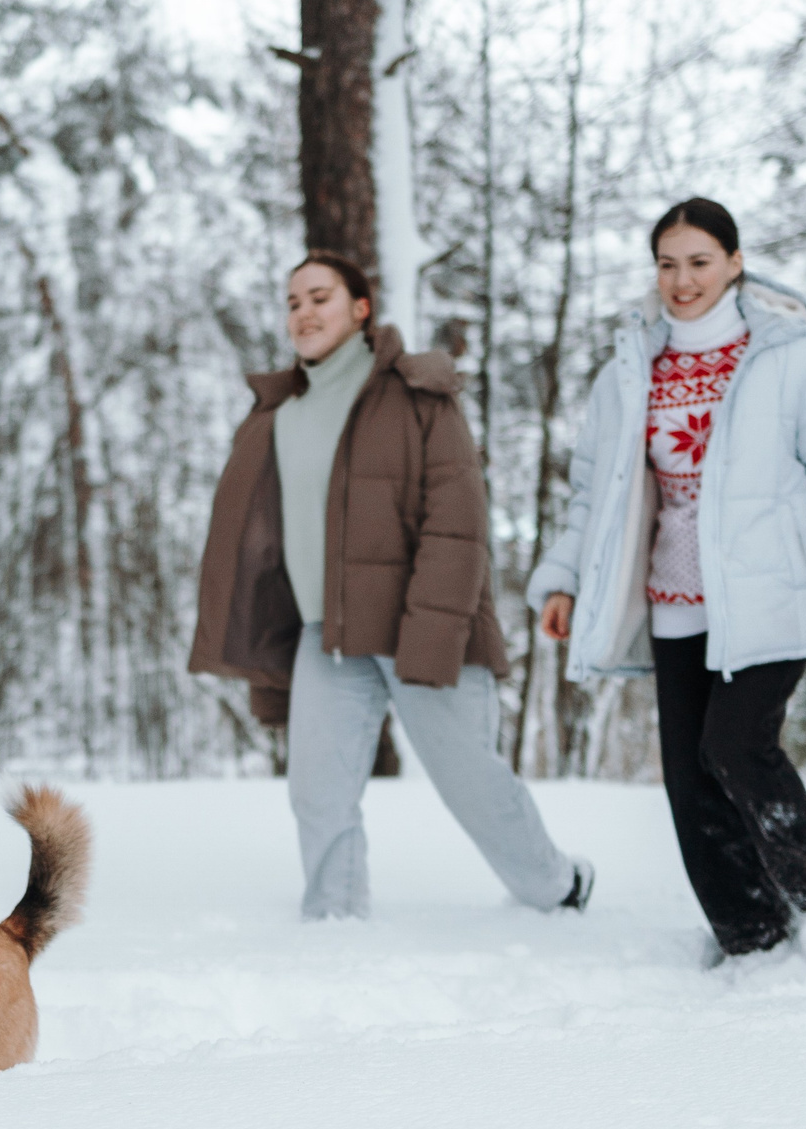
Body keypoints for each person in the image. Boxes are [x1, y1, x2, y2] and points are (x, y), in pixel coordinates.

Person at [527, 199, 806, 967]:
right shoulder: (629, 369)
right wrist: (563, 579)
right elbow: (597, 495)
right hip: (675, 593)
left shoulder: (793, 356)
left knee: (736, 743)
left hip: (770, 588)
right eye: (668, 264)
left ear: (736, 263)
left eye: (700, 262)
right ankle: (749, 931)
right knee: (688, 777)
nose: (683, 280)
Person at [190, 252, 592, 919]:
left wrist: (430, 638)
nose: (304, 313)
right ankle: (334, 922)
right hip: (327, 636)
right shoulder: (277, 412)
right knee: (318, 789)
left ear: (360, 307)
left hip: (422, 627)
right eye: (292, 302)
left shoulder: (416, 393)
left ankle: (558, 887)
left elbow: (457, 524)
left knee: (471, 781)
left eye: (320, 297)